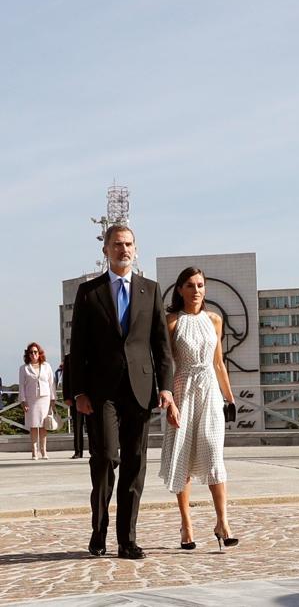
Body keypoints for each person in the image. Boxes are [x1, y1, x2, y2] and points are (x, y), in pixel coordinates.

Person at [69, 224, 179, 560]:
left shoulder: (150, 290)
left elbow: (161, 345)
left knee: (135, 463)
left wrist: (166, 389)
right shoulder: (89, 293)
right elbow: (78, 348)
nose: (124, 250)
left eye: (129, 244)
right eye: (117, 244)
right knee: (105, 459)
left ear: (136, 248)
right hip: (101, 393)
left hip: (140, 389)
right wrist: (78, 393)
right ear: (106, 249)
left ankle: (127, 539)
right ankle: (98, 531)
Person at [158, 267, 239, 551]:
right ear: (180, 289)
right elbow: (165, 364)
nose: (197, 290)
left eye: (201, 285)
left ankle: (223, 522)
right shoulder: (171, 322)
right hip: (182, 389)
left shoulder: (214, 320)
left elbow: (218, 362)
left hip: (209, 391)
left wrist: (230, 399)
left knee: (213, 452)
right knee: (184, 458)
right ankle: (187, 524)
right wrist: (167, 399)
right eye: (190, 285)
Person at [18, 342, 56, 460]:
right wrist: (23, 401)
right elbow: (21, 386)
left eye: (35, 352)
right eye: (31, 352)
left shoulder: (46, 366)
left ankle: (44, 451)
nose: (33, 354)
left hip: (45, 398)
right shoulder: (24, 368)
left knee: (44, 426)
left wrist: (53, 399)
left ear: (39, 353)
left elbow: (51, 384)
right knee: (34, 425)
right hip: (31, 399)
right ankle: (34, 451)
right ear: (28, 354)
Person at [59, 357, 86, 459]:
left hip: (92, 396)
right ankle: (78, 451)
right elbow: (66, 378)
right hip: (75, 397)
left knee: (93, 426)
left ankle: (94, 450)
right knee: (77, 425)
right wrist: (66, 396)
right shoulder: (69, 358)